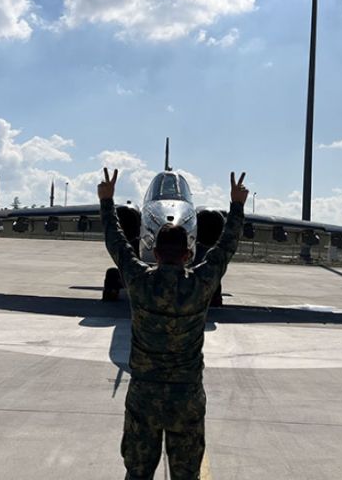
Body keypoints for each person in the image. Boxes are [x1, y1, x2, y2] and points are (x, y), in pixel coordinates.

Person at [98, 168, 248, 480]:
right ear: (189, 253)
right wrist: (236, 206)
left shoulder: (138, 281)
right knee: (187, 475)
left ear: (154, 252)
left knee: (137, 474)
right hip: (186, 397)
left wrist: (107, 201)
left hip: (144, 395)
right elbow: (225, 249)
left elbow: (117, 244)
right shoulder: (202, 283)